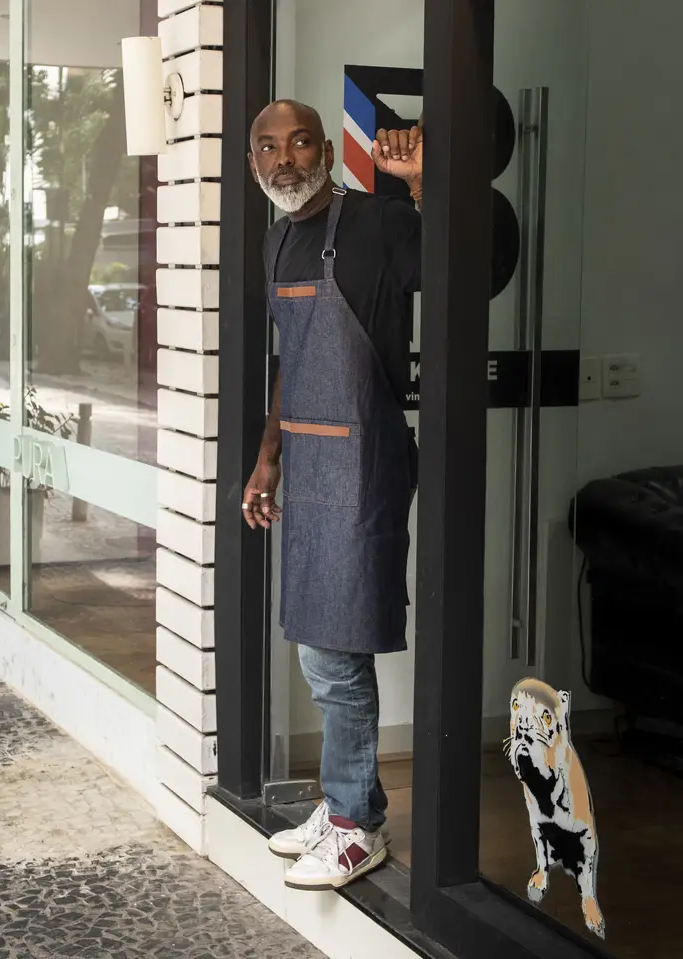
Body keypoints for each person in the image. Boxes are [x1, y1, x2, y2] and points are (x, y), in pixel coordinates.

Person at [243, 99, 423, 890]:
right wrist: (268, 457)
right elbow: (293, 357)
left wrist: (422, 190)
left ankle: (357, 825)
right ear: (255, 160)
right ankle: (346, 799)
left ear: (324, 150)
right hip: (310, 464)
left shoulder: (377, 225)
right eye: (269, 145)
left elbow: (464, 270)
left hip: (364, 463)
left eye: (300, 141)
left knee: (336, 648)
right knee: (320, 643)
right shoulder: (278, 235)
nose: (285, 158)